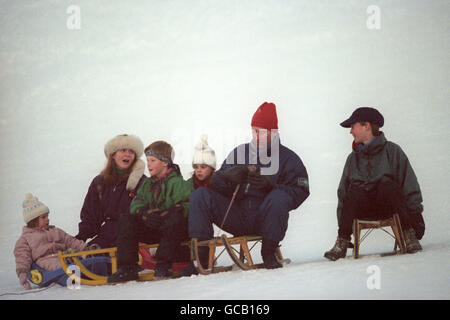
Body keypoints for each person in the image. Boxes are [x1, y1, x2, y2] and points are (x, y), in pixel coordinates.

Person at [182, 102, 310, 275]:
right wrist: (228, 177)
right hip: (236, 215)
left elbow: (301, 190)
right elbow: (217, 181)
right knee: (200, 195)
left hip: (265, 219)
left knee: (279, 196)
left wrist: (272, 187)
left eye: (261, 131)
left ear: (273, 132)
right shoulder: (239, 153)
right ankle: (202, 257)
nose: (256, 136)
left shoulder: (288, 158)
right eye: (253, 130)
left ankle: (268, 252)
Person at [324, 107, 425, 261]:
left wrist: (416, 216)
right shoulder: (352, 159)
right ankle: (342, 242)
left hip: (389, 207)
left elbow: (409, 183)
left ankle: (408, 234)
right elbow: (343, 194)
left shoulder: (392, 151)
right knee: (354, 191)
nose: (350, 131)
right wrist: (342, 224)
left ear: (367, 126)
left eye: (353, 126)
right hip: (362, 209)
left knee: (388, 185)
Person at [107, 140, 194, 282]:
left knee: (176, 218)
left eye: (153, 160)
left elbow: (189, 203)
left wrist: (172, 211)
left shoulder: (177, 182)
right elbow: (136, 202)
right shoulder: (147, 184)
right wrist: (144, 214)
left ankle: (164, 263)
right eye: (147, 160)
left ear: (165, 163)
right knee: (126, 218)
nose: (149, 164)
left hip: (173, 232)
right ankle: (127, 267)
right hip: (154, 228)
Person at [75, 134, 146, 248]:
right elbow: (91, 215)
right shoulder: (99, 182)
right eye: (123, 150)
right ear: (113, 155)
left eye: (131, 152)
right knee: (83, 257)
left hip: (132, 236)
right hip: (108, 233)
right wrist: (81, 237)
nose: (127, 154)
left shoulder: (142, 182)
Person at [14, 194, 93, 289]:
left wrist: (85, 247)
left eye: (47, 216)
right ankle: (71, 266)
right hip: (45, 260)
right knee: (57, 265)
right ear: (33, 220)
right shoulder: (25, 238)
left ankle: (89, 258)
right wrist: (22, 273)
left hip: (63, 254)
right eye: (43, 217)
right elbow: (22, 256)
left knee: (78, 254)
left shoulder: (55, 231)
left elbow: (70, 240)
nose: (48, 219)